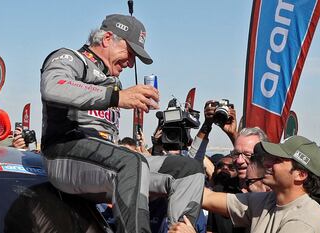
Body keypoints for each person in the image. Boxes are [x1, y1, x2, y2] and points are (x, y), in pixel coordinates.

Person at [40, 14, 204, 233]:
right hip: (63, 156)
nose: (131, 63)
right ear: (107, 38)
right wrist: (116, 97)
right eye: (130, 53)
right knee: (132, 162)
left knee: (188, 169)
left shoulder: (112, 80)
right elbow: (53, 87)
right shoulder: (71, 58)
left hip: (106, 166)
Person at [170, 135, 320, 233]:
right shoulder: (268, 200)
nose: (267, 163)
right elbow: (208, 197)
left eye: (277, 161)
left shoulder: (303, 221)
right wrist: (166, 180)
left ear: (300, 174)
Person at [232, 127, 268, 192]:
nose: (239, 161)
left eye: (247, 155)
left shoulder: (276, 193)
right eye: (236, 154)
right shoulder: (226, 187)